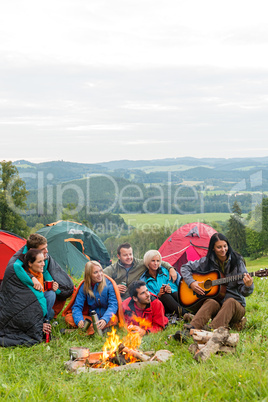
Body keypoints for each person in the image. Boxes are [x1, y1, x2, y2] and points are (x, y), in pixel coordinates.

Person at [0, 233, 74, 347]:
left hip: (36, 297)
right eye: (43, 249)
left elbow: (48, 276)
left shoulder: (44, 258)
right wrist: (32, 279)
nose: (46, 251)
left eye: (46, 247)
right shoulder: (19, 262)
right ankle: (40, 326)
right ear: (32, 251)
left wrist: (59, 290)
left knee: (51, 295)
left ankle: (44, 322)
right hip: (21, 299)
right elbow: (14, 269)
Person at [180, 232, 254, 331]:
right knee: (210, 302)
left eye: (225, 246)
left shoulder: (237, 261)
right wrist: (191, 282)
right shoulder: (207, 261)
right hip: (218, 306)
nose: (223, 250)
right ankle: (190, 329)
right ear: (213, 248)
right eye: (219, 247)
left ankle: (210, 330)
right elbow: (185, 267)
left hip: (235, 307)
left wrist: (248, 286)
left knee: (230, 301)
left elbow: (244, 292)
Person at [62, 261, 124, 334]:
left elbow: (113, 305)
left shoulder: (109, 284)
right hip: (91, 318)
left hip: (106, 318)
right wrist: (79, 320)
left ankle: (82, 331)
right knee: (68, 318)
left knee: (114, 320)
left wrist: (105, 319)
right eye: (95, 272)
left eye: (100, 271)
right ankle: (97, 330)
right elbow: (77, 306)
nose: (100, 274)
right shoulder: (84, 286)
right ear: (89, 275)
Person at [103, 242, 177, 300]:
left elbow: (160, 262)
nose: (129, 257)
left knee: (154, 299)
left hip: (136, 298)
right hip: (119, 299)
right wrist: (114, 288)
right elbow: (98, 278)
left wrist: (171, 268)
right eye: (125, 255)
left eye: (130, 254)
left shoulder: (140, 264)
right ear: (118, 256)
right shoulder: (112, 269)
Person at [140, 250, 187, 317]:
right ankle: (185, 314)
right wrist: (158, 295)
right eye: (153, 261)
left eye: (158, 261)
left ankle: (188, 312)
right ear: (147, 262)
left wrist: (170, 290)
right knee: (165, 296)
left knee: (173, 293)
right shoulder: (144, 280)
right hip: (161, 304)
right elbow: (149, 297)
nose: (156, 263)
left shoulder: (166, 271)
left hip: (174, 299)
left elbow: (178, 284)